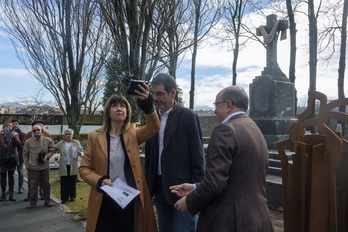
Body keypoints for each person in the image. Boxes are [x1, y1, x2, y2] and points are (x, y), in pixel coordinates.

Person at [170, 86, 275, 232]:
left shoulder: (225, 130)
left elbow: (214, 183)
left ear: (228, 105)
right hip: (256, 219)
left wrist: (190, 202)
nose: (214, 110)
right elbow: (236, 180)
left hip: (229, 221)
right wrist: (195, 188)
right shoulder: (253, 128)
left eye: (216, 105)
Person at [79, 83, 160, 232]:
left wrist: (148, 105)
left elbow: (154, 127)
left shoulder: (134, 133)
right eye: (114, 105)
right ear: (108, 112)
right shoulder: (94, 137)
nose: (119, 108)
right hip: (104, 197)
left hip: (128, 198)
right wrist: (99, 180)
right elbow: (84, 169)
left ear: (127, 112)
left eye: (123, 106)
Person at [145, 73, 205, 232]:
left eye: (160, 94)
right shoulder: (152, 119)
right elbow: (150, 155)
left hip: (181, 190)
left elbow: (198, 155)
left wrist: (196, 190)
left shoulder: (188, 116)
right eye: (153, 94)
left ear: (173, 93)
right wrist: (149, 187)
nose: (156, 98)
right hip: (159, 188)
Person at [23, 124, 55, 209]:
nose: (36, 132)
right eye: (34, 130)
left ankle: (47, 200)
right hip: (33, 167)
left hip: (44, 166)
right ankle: (32, 202)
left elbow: (52, 150)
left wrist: (47, 156)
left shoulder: (47, 140)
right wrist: (27, 164)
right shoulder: (28, 141)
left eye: (38, 130)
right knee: (33, 185)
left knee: (46, 184)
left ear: (41, 130)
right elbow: (25, 154)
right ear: (32, 132)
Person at [54, 129, 82, 204]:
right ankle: (64, 198)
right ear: (64, 135)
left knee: (73, 182)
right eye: (66, 134)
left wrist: (81, 154)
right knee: (64, 182)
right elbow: (53, 148)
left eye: (69, 134)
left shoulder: (76, 142)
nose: (68, 135)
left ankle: (72, 196)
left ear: (72, 135)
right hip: (64, 165)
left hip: (73, 165)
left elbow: (81, 151)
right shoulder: (61, 143)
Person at [0, 122, 20, 202]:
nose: (8, 128)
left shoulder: (15, 135)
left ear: (12, 128)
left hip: (11, 158)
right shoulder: (0, 135)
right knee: (2, 177)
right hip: (2, 159)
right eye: (6, 126)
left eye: (9, 126)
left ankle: (11, 194)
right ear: (3, 127)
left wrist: (13, 137)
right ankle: (3, 194)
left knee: (11, 177)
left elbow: (19, 144)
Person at [11, 119, 26, 194]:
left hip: (20, 156)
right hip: (10, 157)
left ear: (18, 124)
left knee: (20, 172)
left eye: (16, 123)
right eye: (13, 124)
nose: (15, 125)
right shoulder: (7, 133)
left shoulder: (23, 134)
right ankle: (10, 189)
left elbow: (21, 145)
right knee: (11, 173)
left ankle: (20, 187)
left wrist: (15, 137)